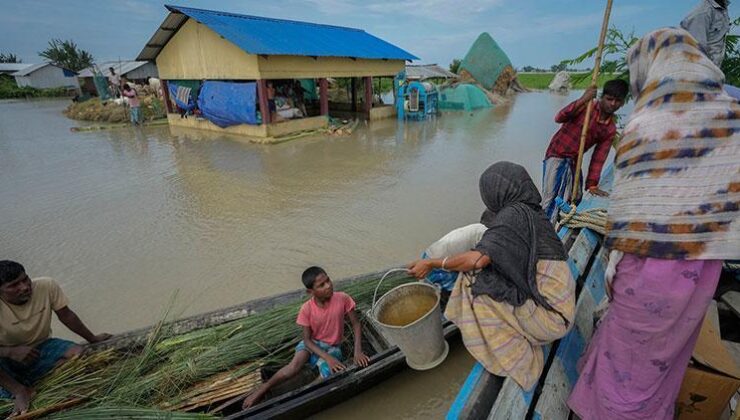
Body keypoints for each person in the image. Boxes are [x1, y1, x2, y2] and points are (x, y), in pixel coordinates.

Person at [567, 28, 740, 420]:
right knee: (668, 353)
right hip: (704, 265)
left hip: (651, 270)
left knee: (627, 353)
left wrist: (613, 270)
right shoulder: (732, 116)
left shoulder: (646, 126)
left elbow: (626, 220)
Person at [408, 162, 576, 390]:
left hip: (552, 319)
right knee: (485, 274)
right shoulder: (531, 212)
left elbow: (477, 260)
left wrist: (433, 263)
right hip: (560, 307)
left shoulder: (513, 215)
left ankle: (516, 358)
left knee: (472, 282)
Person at [242, 266, 370, 408]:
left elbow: (356, 324)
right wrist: (327, 358)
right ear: (311, 291)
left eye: (328, 280)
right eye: (321, 285)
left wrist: (357, 351)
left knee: (327, 373)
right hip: (312, 344)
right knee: (293, 367)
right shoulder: (306, 309)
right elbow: (307, 341)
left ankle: (303, 395)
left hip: (332, 347)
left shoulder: (343, 298)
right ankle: (264, 388)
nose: (328, 286)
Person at [0, 261, 111, 416]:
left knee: (79, 354)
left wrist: (92, 338)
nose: (24, 287)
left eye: (25, 279)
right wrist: (10, 352)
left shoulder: (46, 286)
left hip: (41, 347)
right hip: (5, 361)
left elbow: (66, 315)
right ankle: (17, 390)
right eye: (14, 285)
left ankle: (35, 380)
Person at [541, 79, 629, 224]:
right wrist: (583, 99)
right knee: (550, 199)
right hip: (557, 154)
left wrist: (592, 184)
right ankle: (543, 230)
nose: (612, 104)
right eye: (609, 99)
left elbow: (598, 159)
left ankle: (562, 227)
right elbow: (559, 117)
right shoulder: (586, 107)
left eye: (617, 101)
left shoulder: (609, 129)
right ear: (602, 97)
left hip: (574, 161)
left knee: (576, 197)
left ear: (623, 103)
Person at [681, 0, 731, 67]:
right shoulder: (702, 14)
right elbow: (695, 53)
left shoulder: (721, 8)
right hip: (700, 71)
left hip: (713, 70)